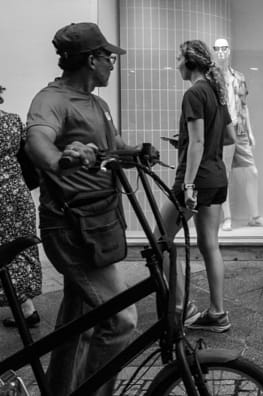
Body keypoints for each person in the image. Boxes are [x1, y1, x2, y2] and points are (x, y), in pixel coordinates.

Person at [24, 22, 137, 395]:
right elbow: (38, 143)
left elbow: (112, 142)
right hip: (71, 228)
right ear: (91, 59)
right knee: (120, 319)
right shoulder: (52, 100)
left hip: (99, 222)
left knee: (79, 319)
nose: (112, 63)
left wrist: (134, 152)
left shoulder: (99, 103)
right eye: (108, 57)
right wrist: (61, 161)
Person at [155, 39, 232, 333]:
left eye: (177, 58)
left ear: (189, 62)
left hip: (196, 181)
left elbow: (198, 141)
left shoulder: (194, 93)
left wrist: (187, 185)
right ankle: (218, 313)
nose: (176, 65)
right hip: (216, 178)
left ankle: (181, 307)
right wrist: (186, 141)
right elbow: (228, 137)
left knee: (159, 240)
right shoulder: (216, 92)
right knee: (210, 245)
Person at [213, 38, 263, 231]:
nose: (221, 52)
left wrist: (251, 132)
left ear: (229, 51)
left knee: (252, 171)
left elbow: (245, 106)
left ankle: (254, 216)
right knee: (225, 174)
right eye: (218, 49)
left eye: (224, 48)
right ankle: (226, 217)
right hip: (221, 130)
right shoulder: (211, 77)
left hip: (239, 129)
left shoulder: (239, 76)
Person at [0, 84, 42, 328]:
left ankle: (23, 306)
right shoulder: (14, 121)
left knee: (3, 250)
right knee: (22, 245)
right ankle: (27, 309)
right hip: (18, 193)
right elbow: (30, 152)